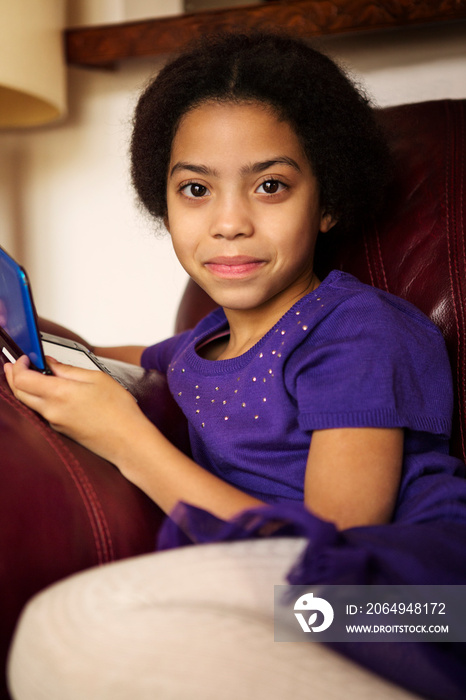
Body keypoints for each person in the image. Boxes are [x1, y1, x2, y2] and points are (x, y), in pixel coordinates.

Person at [5, 31, 466, 700]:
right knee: (84, 627)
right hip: (301, 605)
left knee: (85, 621)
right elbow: (137, 357)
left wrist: (127, 442)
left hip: (413, 607)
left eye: (270, 186)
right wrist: (55, 352)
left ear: (328, 200)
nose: (229, 222)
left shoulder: (361, 334)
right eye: (196, 189)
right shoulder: (202, 347)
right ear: (163, 202)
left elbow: (332, 556)